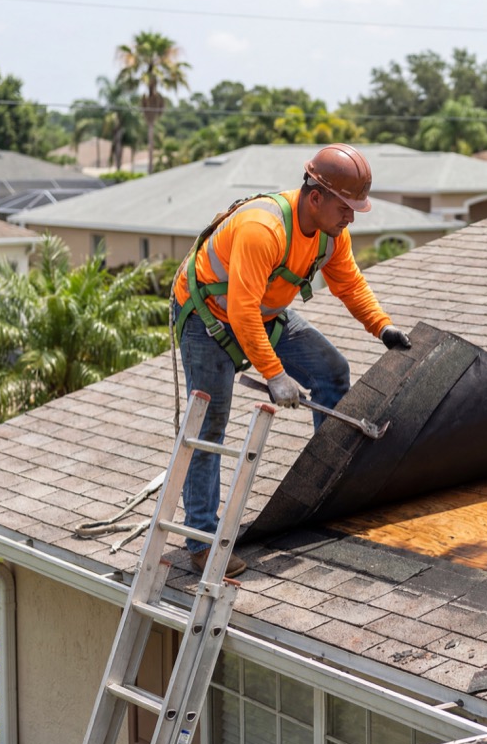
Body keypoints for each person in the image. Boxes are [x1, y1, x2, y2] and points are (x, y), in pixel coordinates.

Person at [172, 143, 411, 577]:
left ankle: (328, 490)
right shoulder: (263, 229)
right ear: (315, 196)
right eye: (346, 206)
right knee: (208, 428)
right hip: (209, 316)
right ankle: (202, 544)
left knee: (331, 370)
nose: (352, 216)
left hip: (262, 313)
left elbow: (350, 284)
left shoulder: (330, 232)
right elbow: (241, 312)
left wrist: (383, 327)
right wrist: (275, 375)